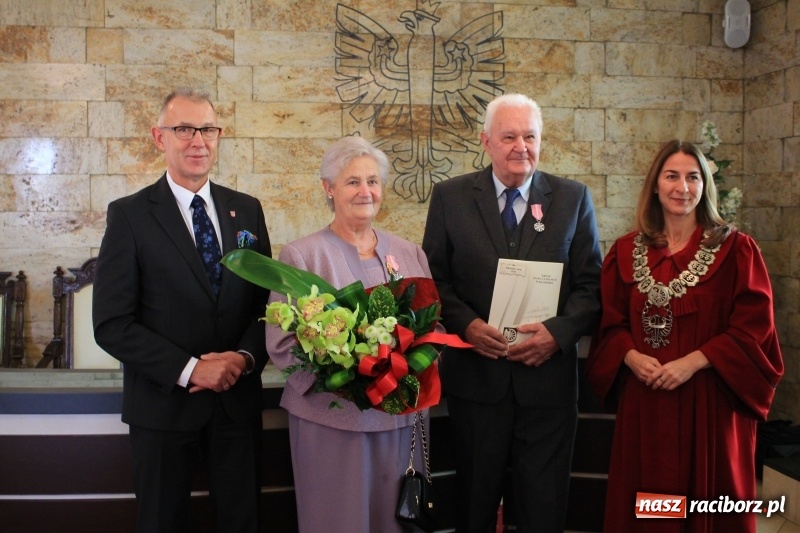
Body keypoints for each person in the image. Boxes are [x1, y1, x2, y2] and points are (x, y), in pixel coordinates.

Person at [93, 87, 272, 533]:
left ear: (219, 134)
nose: (198, 140)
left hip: (237, 404)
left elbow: (266, 304)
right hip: (163, 409)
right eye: (184, 129)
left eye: (207, 129)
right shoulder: (130, 216)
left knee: (242, 521)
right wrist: (191, 369)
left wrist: (244, 358)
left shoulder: (246, 210)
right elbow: (112, 324)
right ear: (160, 137)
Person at [421, 93, 602, 533]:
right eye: (509, 136)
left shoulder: (573, 198)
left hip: (548, 388)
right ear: (486, 141)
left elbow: (591, 286)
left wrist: (557, 334)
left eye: (530, 136)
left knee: (543, 508)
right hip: (477, 383)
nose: (520, 146)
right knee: (474, 505)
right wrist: (467, 325)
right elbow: (433, 282)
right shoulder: (451, 197)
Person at [586, 140, 784, 532]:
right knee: (654, 506)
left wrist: (691, 363)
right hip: (648, 402)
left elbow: (754, 328)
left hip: (710, 400)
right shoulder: (626, 252)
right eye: (672, 176)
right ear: (655, 185)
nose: (682, 187)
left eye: (693, 177)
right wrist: (629, 356)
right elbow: (610, 324)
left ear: (705, 185)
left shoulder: (736, 250)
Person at [265, 136, 433, 533]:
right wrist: (353, 370)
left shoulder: (410, 253)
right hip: (333, 424)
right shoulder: (302, 256)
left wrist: (411, 359)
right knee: (338, 521)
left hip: (401, 422)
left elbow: (433, 325)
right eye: (353, 181)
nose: (365, 191)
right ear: (329, 188)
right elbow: (283, 343)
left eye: (372, 181)